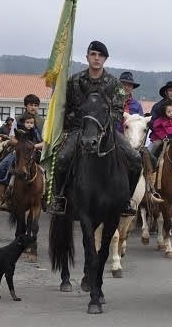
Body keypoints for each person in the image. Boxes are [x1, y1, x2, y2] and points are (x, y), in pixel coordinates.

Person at [48, 40, 141, 216]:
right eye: (93, 54)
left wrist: (103, 123)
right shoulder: (74, 81)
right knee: (62, 158)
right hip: (79, 129)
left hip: (106, 131)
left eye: (100, 55)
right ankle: (59, 198)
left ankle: (126, 200)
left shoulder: (114, 83)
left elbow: (118, 110)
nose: (96, 58)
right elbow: (64, 106)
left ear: (105, 59)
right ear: (87, 57)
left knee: (135, 158)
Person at [0, 113, 45, 212]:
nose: (30, 125)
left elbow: (43, 141)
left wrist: (34, 146)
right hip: (19, 152)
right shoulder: (18, 127)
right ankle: (5, 197)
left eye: (31, 123)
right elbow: (12, 139)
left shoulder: (38, 129)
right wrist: (22, 146)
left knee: (45, 170)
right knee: (2, 167)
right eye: (28, 122)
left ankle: (45, 196)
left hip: (34, 152)